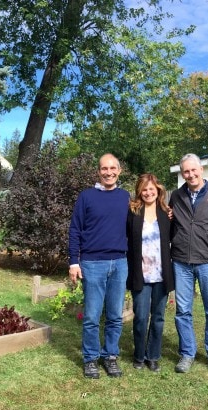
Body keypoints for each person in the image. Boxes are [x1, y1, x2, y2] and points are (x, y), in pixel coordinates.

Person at [168, 153, 208, 374]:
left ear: (201, 169)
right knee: (182, 311)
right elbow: (168, 227)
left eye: (193, 170)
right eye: (186, 171)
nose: (190, 174)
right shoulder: (176, 197)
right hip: (181, 262)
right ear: (182, 173)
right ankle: (187, 353)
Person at [68, 153, 130, 379]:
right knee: (93, 316)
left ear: (119, 170)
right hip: (92, 263)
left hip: (120, 263)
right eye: (104, 168)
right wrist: (74, 261)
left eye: (113, 168)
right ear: (98, 171)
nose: (109, 172)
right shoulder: (86, 197)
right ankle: (91, 359)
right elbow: (75, 229)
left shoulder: (125, 197)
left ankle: (110, 356)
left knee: (115, 315)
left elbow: (143, 221)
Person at [126, 173, 175, 372]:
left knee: (158, 317)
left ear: (158, 190)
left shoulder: (166, 213)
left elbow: (173, 238)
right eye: (144, 189)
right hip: (141, 274)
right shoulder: (133, 212)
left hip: (161, 275)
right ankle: (139, 355)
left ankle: (153, 356)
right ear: (139, 191)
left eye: (151, 189)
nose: (148, 192)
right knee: (140, 317)